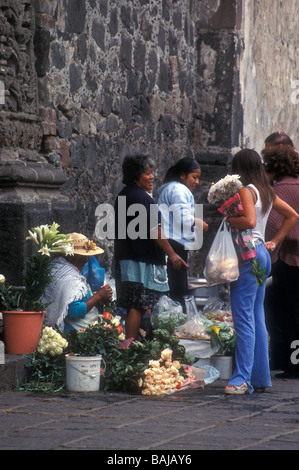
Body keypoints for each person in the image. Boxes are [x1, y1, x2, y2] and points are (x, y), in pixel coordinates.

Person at [223, 149, 299, 395]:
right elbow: (292, 215)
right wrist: (275, 241)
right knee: (255, 316)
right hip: (262, 254)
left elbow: (250, 221)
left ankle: (241, 377)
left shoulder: (246, 190)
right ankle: (259, 376)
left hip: (248, 255)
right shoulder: (266, 191)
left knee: (244, 317)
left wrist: (229, 219)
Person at [114, 155, 187, 340]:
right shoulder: (140, 198)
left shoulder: (124, 195)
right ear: (135, 176)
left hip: (127, 259)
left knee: (135, 304)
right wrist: (172, 254)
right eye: (147, 173)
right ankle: (130, 346)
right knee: (137, 305)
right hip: (140, 262)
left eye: (152, 172)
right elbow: (155, 230)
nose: (152, 177)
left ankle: (134, 343)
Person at [263, 133, 299, 378]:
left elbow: (274, 226)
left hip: (288, 261)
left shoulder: (279, 191)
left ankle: (292, 364)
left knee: (286, 314)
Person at [157, 157, 208, 309]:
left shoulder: (170, 189)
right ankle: (178, 327)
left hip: (171, 241)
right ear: (182, 175)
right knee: (177, 291)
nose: (197, 182)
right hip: (174, 243)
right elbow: (182, 218)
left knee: (174, 288)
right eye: (194, 177)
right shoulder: (179, 190)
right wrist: (199, 223)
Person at [42, 233, 113, 332]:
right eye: (83, 256)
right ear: (74, 256)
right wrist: (98, 296)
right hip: (75, 333)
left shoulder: (59, 269)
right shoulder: (69, 278)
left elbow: (74, 298)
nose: (85, 261)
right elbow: (73, 312)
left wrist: (99, 299)